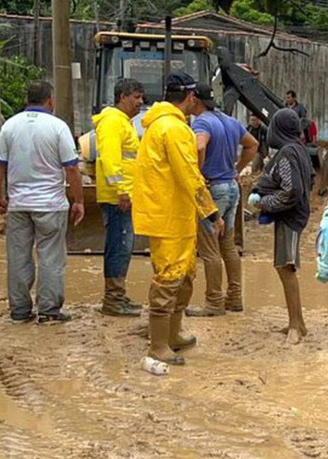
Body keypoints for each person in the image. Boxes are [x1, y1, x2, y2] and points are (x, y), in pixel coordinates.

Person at [132, 71, 220, 365]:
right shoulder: (175, 129)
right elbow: (190, 175)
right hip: (169, 216)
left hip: (171, 214)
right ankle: (158, 345)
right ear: (191, 97)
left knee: (183, 275)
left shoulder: (159, 126)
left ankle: (173, 333)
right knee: (169, 279)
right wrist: (211, 212)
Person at [0, 81, 85, 324]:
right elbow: (72, 168)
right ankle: (49, 311)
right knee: (51, 257)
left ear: (27, 98)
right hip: (51, 205)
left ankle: (20, 311)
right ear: (50, 100)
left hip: (19, 205)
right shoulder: (57, 127)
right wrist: (78, 201)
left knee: (18, 256)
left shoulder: (9, 126)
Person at [186, 84, 258, 317]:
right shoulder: (230, 121)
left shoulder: (202, 123)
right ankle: (234, 298)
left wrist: (198, 173)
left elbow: (199, 145)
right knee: (228, 244)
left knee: (209, 248)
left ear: (195, 100)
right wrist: (237, 168)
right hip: (232, 188)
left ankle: (214, 301)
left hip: (213, 189)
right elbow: (253, 145)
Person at [248, 108, 315, 345]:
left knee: (286, 268)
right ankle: (296, 321)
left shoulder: (287, 153)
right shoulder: (299, 149)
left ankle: (296, 326)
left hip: (290, 216)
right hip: (295, 214)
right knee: (284, 267)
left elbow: (291, 190)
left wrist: (265, 203)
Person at [93, 78, 145, 317]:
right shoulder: (113, 121)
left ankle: (118, 295)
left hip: (124, 195)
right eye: (136, 97)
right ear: (122, 97)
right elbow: (110, 159)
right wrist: (121, 190)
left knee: (123, 246)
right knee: (119, 246)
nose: (140, 102)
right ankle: (113, 300)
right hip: (118, 197)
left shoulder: (122, 122)